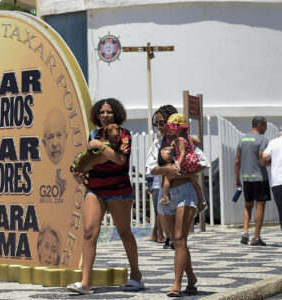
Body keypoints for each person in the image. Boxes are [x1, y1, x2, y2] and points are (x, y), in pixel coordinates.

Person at [67, 98, 143, 295]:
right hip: (95, 189)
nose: (105, 115)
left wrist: (99, 147)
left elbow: (120, 159)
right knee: (89, 233)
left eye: (109, 112)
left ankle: (136, 275)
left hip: (119, 191)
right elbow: (90, 161)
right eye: (102, 112)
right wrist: (80, 173)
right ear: (97, 115)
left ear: (116, 114)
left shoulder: (124, 135)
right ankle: (85, 283)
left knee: (125, 233)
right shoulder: (94, 134)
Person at [146, 105, 209, 297]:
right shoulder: (157, 145)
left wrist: (186, 172)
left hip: (186, 193)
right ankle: (191, 278)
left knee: (181, 238)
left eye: (162, 123)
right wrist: (169, 170)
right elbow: (150, 169)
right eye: (156, 124)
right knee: (175, 240)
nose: (159, 127)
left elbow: (203, 163)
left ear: (172, 123)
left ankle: (176, 284)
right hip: (166, 196)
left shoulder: (187, 141)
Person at [159, 113, 207, 213]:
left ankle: (166, 196)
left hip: (184, 163)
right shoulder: (189, 137)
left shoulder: (179, 139)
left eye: (172, 127)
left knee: (167, 177)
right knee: (195, 182)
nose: (170, 129)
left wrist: (179, 165)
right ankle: (202, 200)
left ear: (179, 128)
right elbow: (199, 142)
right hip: (192, 163)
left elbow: (183, 152)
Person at [235, 116, 270, 246]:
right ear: (259, 125)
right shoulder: (263, 140)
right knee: (260, 207)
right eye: (265, 126)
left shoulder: (242, 139)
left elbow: (237, 160)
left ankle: (245, 232)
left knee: (247, 205)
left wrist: (237, 178)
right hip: (260, 178)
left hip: (246, 178)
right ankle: (256, 237)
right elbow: (262, 159)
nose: (266, 128)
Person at [260, 125, 282, 230]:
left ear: (279, 132)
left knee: (281, 210)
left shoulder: (273, 142)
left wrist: (275, 161)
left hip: (278, 182)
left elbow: (265, 156)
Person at [148, 175, 166, 244]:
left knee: (159, 212)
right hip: (158, 187)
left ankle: (156, 234)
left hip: (158, 186)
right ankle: (160, 235)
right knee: (160, 212)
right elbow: (150, 172)